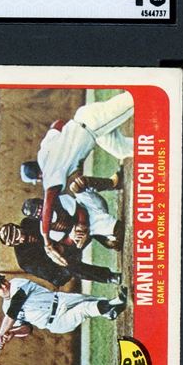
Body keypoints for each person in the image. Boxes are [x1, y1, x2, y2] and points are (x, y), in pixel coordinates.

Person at [20, 91, 133, 266]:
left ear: (39, 176)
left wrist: (46, 239)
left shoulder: (49, 177)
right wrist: (70, 137)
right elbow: (58, 124)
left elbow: (49, 199)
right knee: (124, 150)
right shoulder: (43, 152)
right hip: (84, 120)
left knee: (134, 100)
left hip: (93, 125)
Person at [0, 274, 127, 343]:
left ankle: (110, 311)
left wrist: (0, 334)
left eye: (3, 281)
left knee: (93, 300)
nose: (4, 286)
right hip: (55, 322)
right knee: (84, 309)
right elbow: (27, 329)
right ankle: (115, 302)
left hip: (60, 300)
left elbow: (15, 306)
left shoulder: (16, 283)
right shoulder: (6, 310)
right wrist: (13, 332)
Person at [0, 219, 121, 287]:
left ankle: (108, 241)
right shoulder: (24, 260)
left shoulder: (29, 223)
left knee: (80, 224)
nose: (21, 238)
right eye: (15, 240)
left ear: (18, 226)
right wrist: (61, 249)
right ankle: (109, 277)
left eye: (17, 233)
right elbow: (52, 271)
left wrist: (71, 233)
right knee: (68, 266)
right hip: (57, 269)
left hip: (63, 243)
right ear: (13, 245)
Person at [22, 193, 123, 251]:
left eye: (41, 208)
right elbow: (65, 241)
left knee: (118, 229)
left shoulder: (58, 200)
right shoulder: (45, 229)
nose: (43, 213)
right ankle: (106, 238)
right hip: (81, 231)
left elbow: (81, 212)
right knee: (78, 242)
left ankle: (107, 234)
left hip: (89, 211)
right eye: (38, 214)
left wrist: (81, 226)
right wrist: (73, 238)